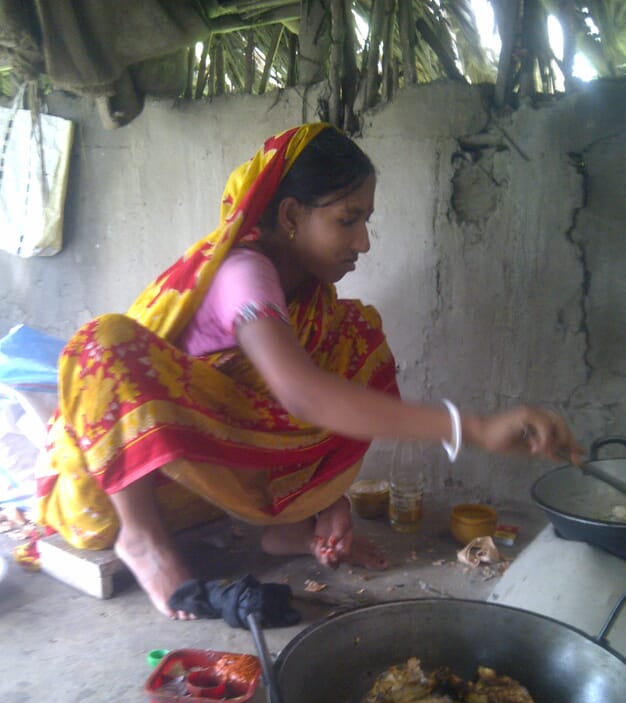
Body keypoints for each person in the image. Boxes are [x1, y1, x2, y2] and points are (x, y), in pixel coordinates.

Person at [36, 123, 581, 619]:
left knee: (357, 336)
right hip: (113, 495)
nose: (363, 241)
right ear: (292, 216)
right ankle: (142, 537)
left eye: (366, 220)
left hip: (203, 496)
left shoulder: (311, 301)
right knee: (104, 345)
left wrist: (325, 505)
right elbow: (300, 397)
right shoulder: (244, 272)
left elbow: (263, 414)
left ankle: (292, 526)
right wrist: (476, 428)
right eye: (348, 220)